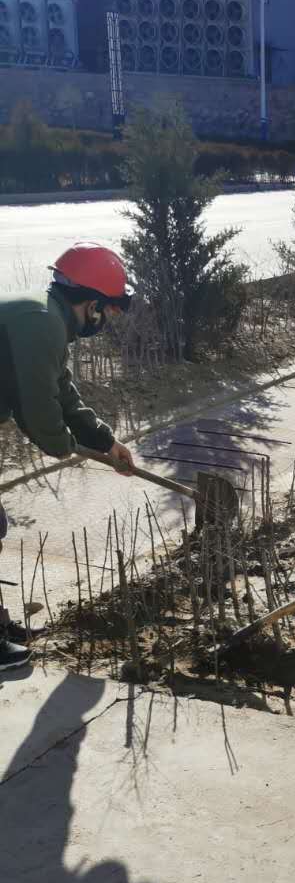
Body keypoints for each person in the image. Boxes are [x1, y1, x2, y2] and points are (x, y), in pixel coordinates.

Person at [0, 242, 136, 672]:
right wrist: (60, 444)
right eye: (108, 309)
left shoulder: (46, 316)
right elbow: (37, 408)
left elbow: (61, 391)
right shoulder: (42, 322)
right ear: (91, 304)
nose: (106, 319)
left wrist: (105, 442)